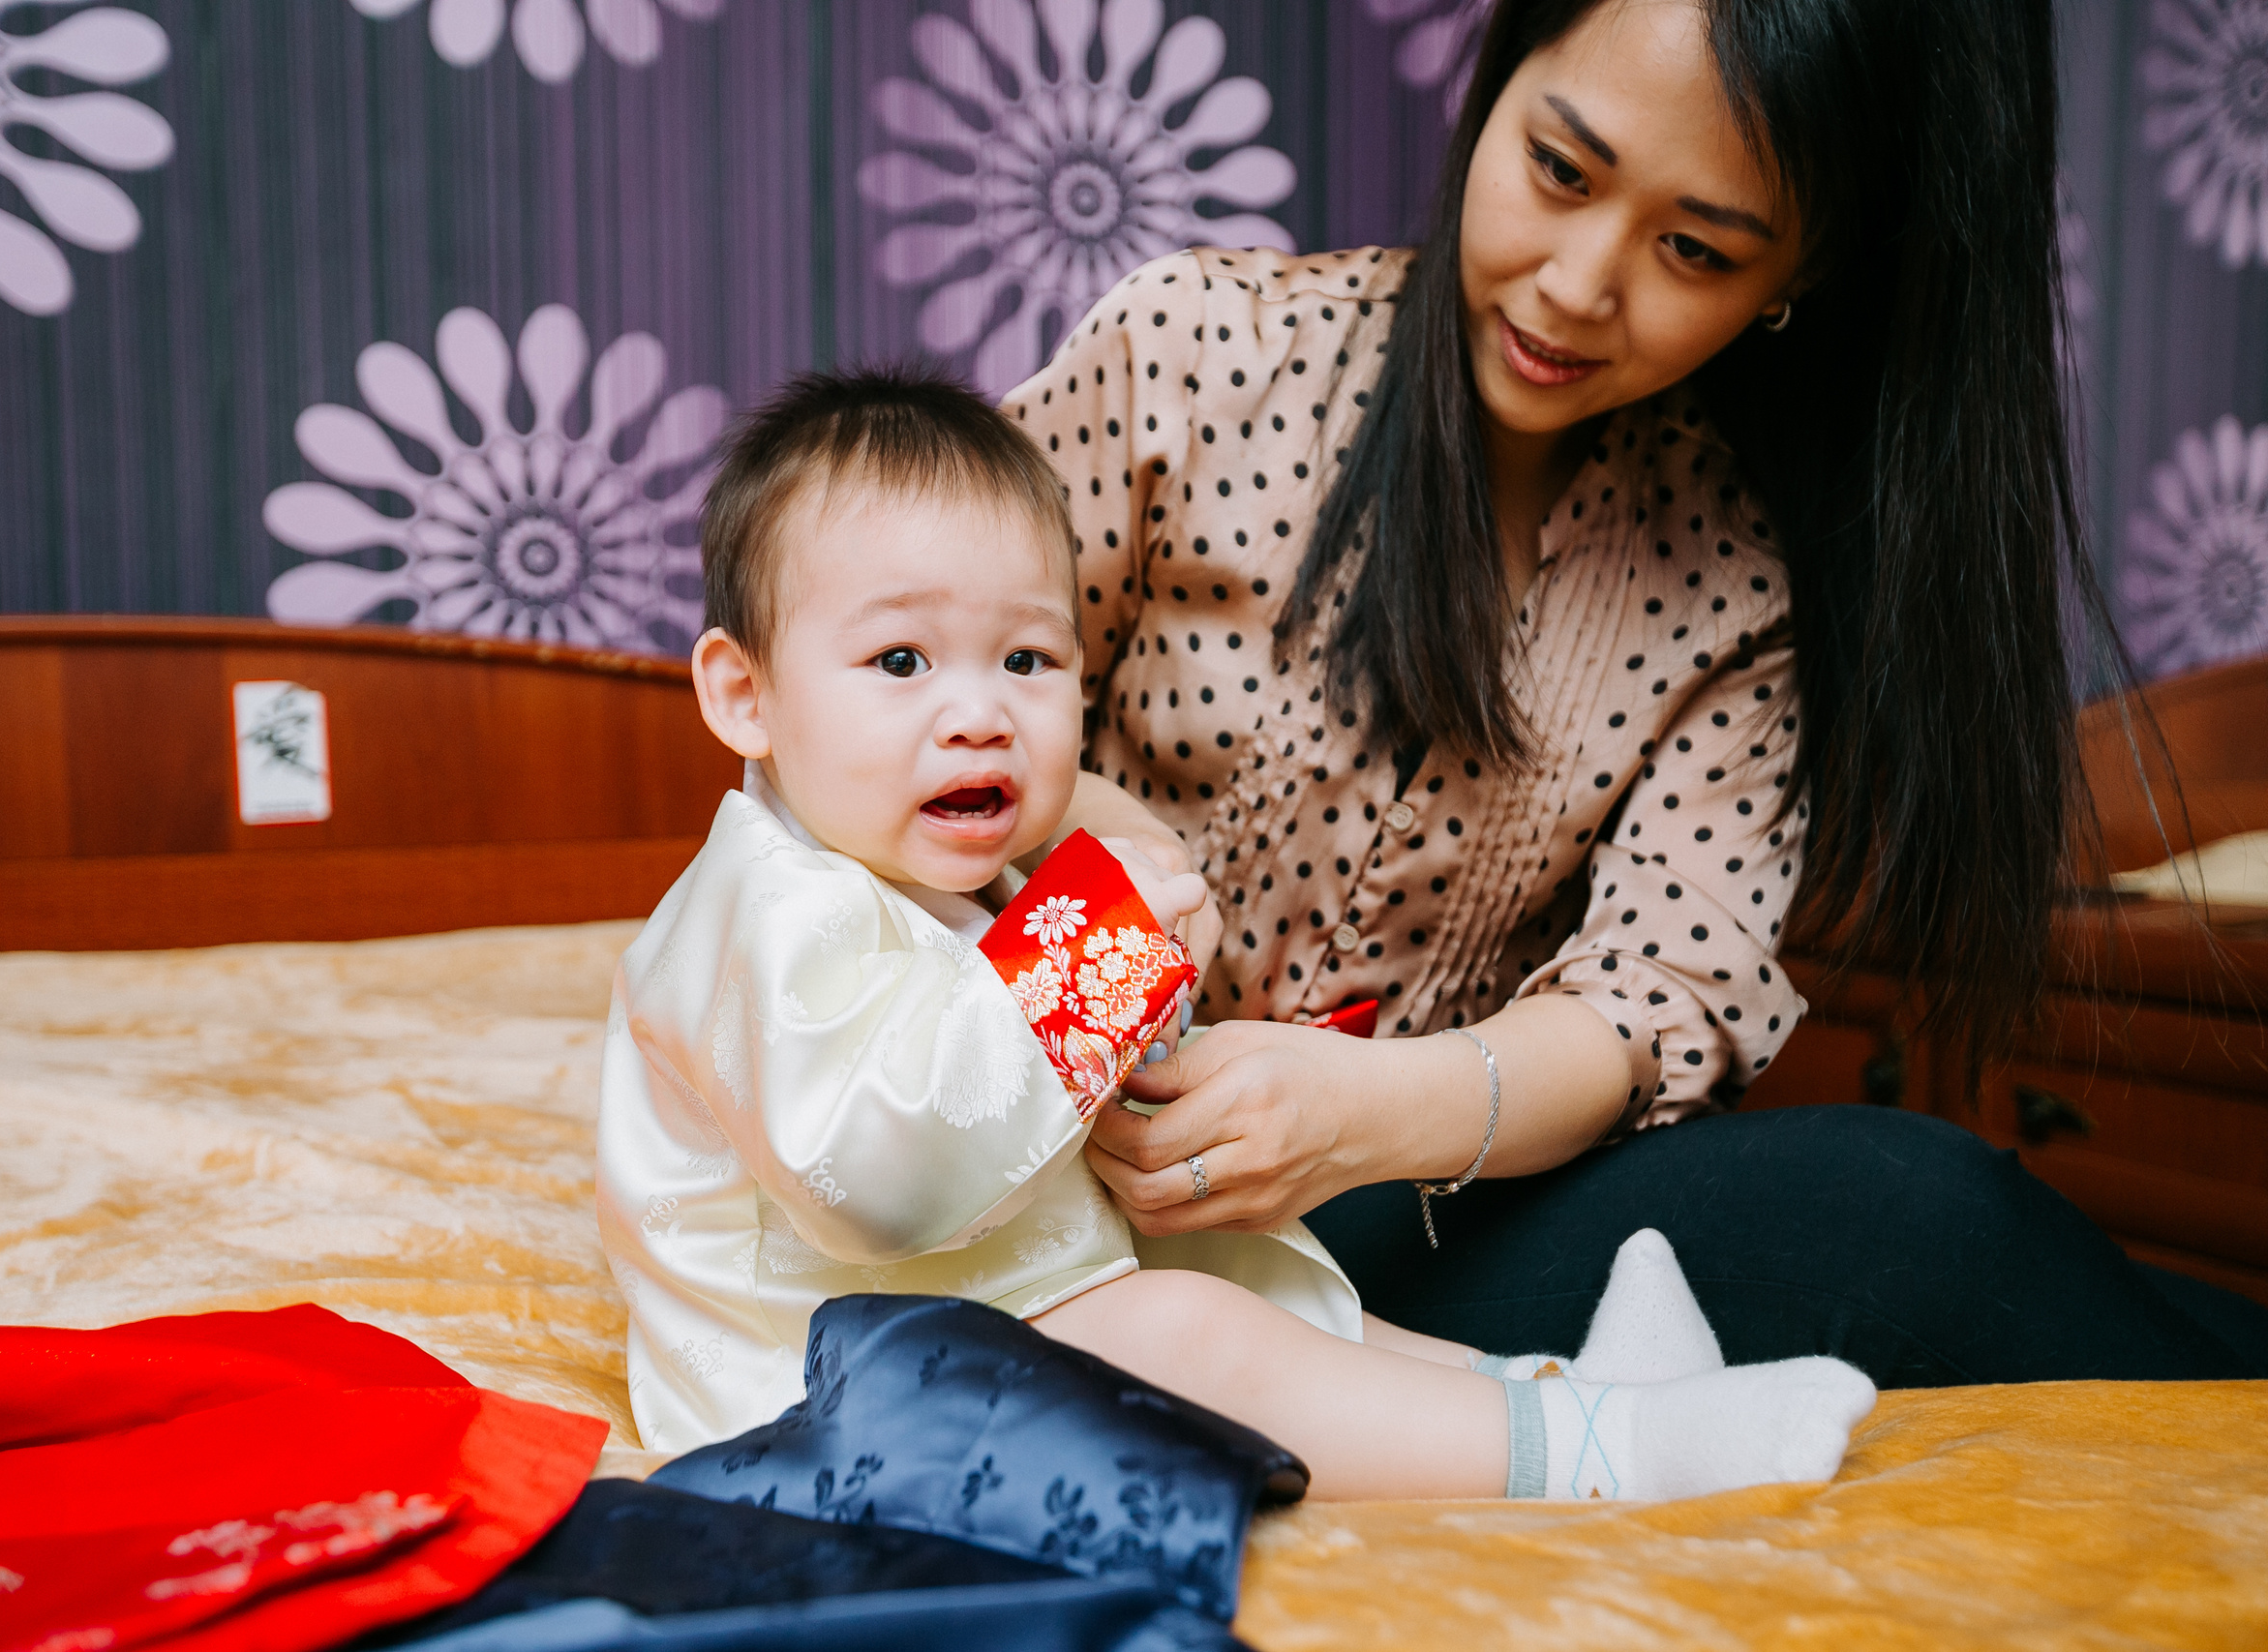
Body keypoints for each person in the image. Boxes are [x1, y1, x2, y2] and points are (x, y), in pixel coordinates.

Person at [1007, 0, 2268, 1384]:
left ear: (1790, 279)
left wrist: (1358, 1111)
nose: (1577, 285)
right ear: (1500, 90)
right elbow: (889, 716)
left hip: (1395, 1220)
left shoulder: (1735, 581)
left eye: (1694, 250)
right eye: (1560, 170)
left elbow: (1647, 1002)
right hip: (1021, 1190)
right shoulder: (1201, 355)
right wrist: (1116, 903)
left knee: (1933, 1219)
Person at [595, 365, 1879, 1500]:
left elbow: (1010, 1094)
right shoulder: (763, 915)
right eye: (900, 664)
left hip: (961, 1315)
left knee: (1262, 1282)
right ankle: (1612, 1461)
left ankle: (1569, 1387)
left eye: (1029, 663)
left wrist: (1145, 984)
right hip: (809, 1399)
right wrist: (1096, 948)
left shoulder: (917, 870)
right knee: (1183, 1336)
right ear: (743, 694)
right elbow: (877, 1178)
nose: (980, 715)